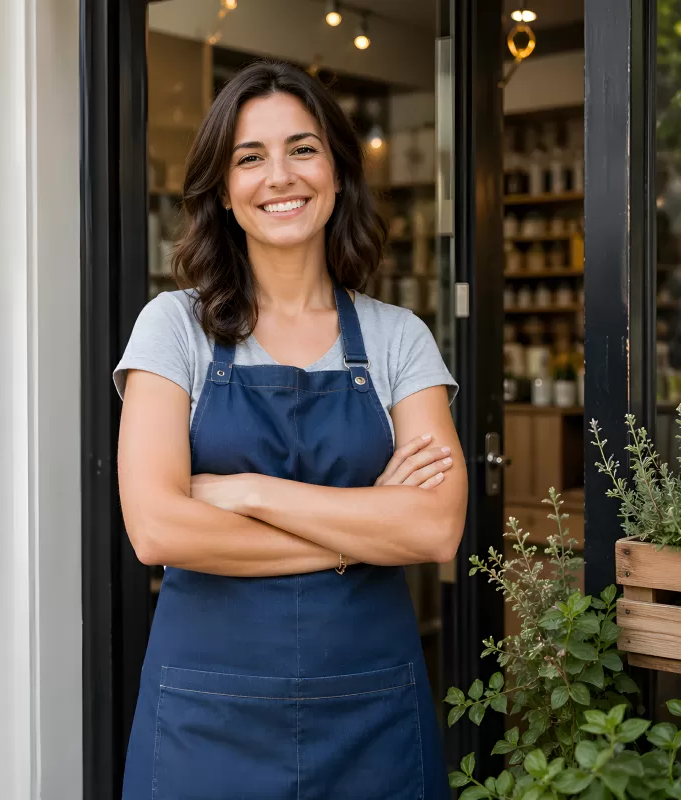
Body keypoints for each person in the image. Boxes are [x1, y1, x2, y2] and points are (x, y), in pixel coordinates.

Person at [113, 61, 467, 798]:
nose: (280, 176)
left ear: (337, 172)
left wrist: (245, 491)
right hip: (205, 719)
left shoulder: (399, 339)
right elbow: (156, 528)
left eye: (302, 149)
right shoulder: (172, 328)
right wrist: (359, 535)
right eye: (251, 157)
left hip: (370, 714)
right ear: (223, 189)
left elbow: (434, 529)